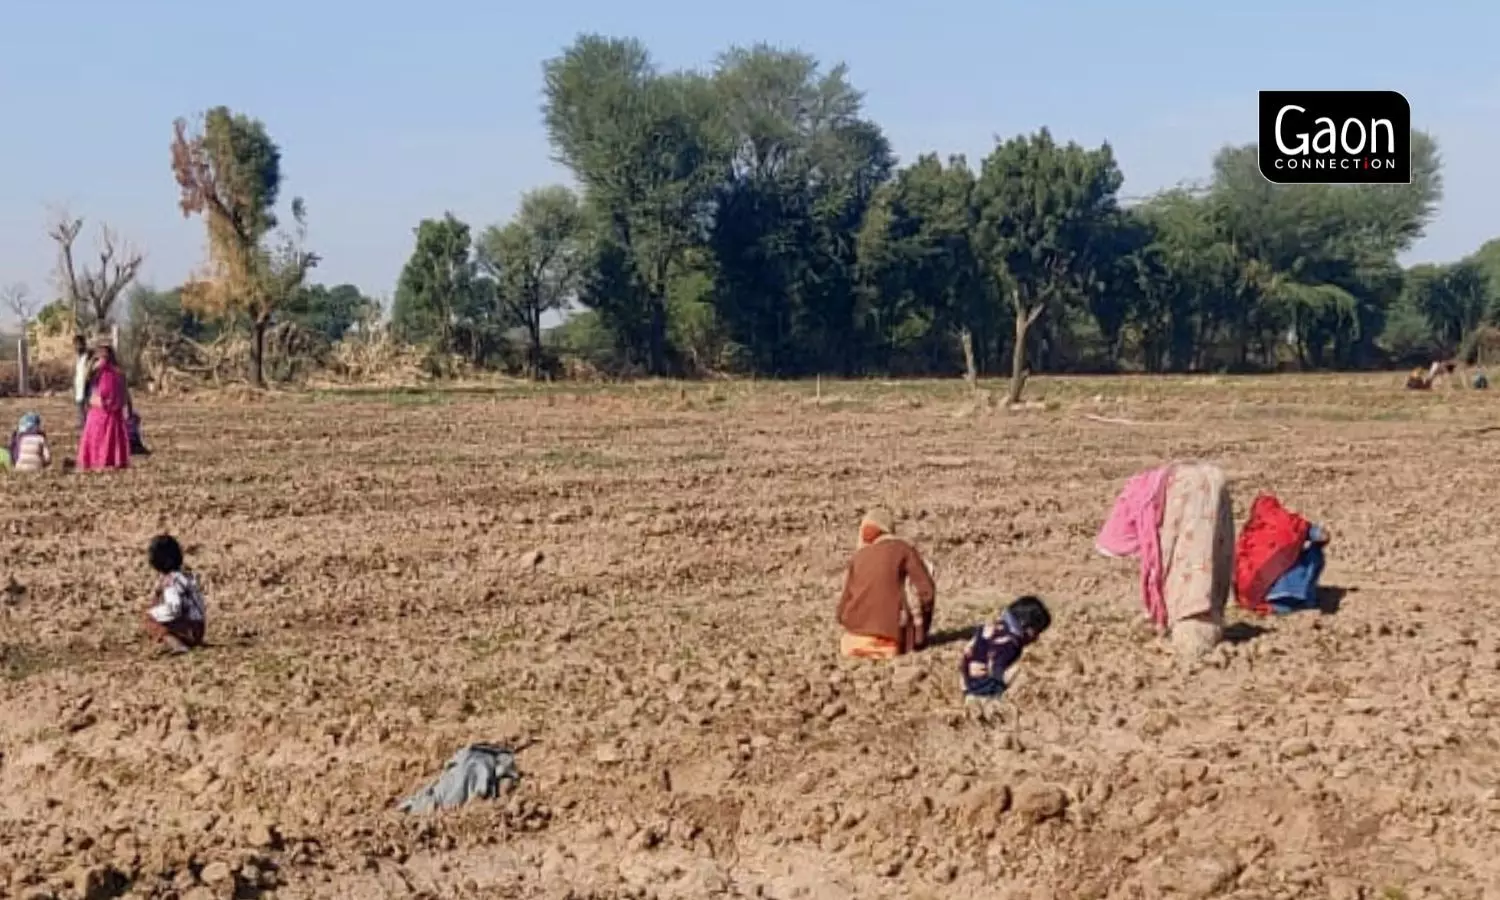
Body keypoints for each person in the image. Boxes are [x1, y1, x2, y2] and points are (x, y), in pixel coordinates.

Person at [1096, 462, 1234, 660]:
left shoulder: (1145, 495)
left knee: (1188, 548)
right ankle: (1194, 610)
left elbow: (1117, 545)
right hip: (1196, 487)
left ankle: (1187, 618)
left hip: (1188, 490)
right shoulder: (1207, 479)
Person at [836, 508, 936, 659]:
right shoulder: (903, 549)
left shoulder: (858, 557)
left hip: (853, 640)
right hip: (890, 640)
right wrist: (919, 630)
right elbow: (927, 592)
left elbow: (842, 609)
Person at [1235, 494, 1331, 616]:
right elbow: (1322, 536)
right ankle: (1305, 599)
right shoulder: (1291, 522)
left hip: (1261, 599)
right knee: (1315, 552)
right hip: (1292, 598)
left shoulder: (1248, 535)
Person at [960, 596, 1051, 703]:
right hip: (983, 691)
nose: (1036, 639)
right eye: (1036, 633)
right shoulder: (1011, 644)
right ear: (1026, 627)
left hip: (966, 683)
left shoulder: (992, 627)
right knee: (1019, 672)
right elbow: (996, 666)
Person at [144, 535, 206, 654]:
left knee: (149, 618)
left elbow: (174, 608)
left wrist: (155, 613)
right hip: (199, 628)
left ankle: (177, 645)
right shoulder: (187, 576)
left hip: (190, 628)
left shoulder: (170, 581)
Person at [77, 337, 132, 471]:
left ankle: (106, 461)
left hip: (107, 413)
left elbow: (117, 393)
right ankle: (98, 461)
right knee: (99, 438)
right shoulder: (97, 368)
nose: (101, 354)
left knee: (106, 439)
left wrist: (126, 406)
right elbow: (86, 381)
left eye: (103, 351)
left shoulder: (113, 372)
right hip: (100, 412)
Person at [73, 334, 92, 430]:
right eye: (76, 344)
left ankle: (88, 424)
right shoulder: (78, 357)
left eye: (79, 344)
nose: (77, 347)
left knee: (87, 404)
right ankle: (82, 423)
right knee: (80, 404)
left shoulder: (88, 356)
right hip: (79, 384)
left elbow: (89, 371)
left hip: (87, 384)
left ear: (84, 344)